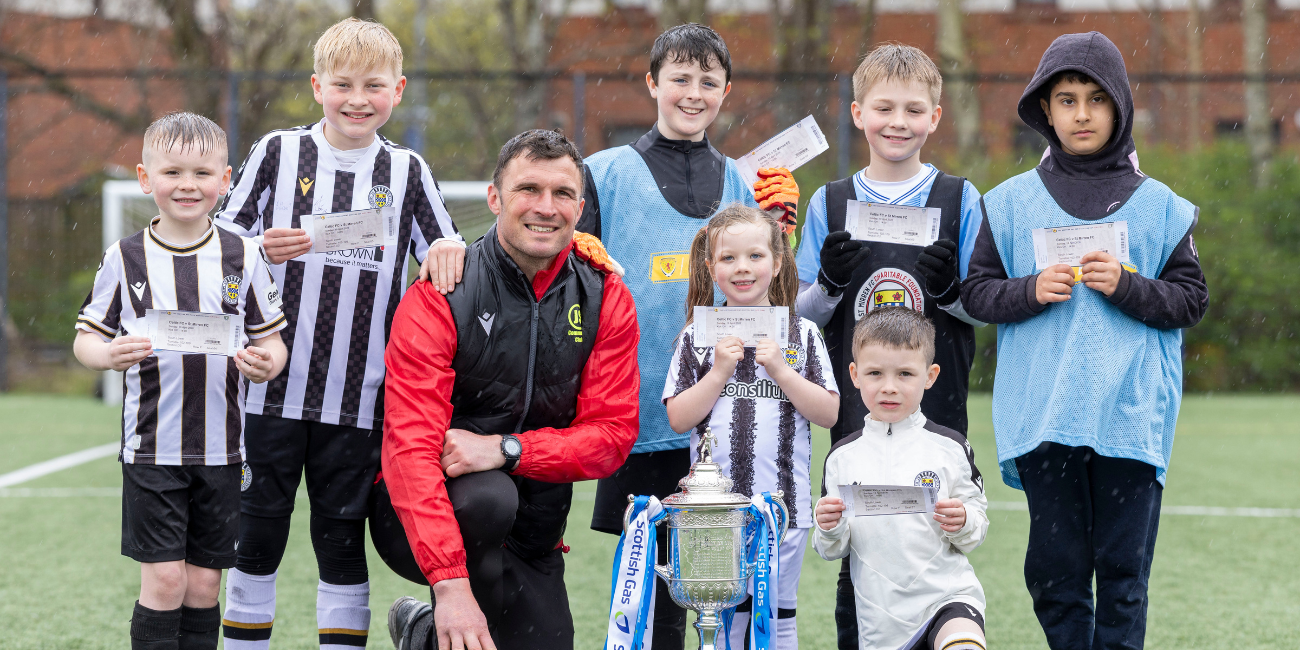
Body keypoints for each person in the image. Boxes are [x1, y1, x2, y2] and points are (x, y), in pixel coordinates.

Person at [418, 23, 798, 649]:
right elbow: (538, 249)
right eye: (679, 78)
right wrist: (450, 245)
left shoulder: (742, 181)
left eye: (708, 81)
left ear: (727, 91)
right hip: (636, 409)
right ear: (652, 83)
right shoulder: (603, 172)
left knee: (728, 578)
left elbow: (770, 290)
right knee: (653, 591)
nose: (693, 92)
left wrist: (781, 232)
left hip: (722, 410)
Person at [213, 17, 464, 650]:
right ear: (317, 87)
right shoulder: (277, 152)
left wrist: (448, 250)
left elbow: (447, 250)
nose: (358, 99)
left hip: (359, 394)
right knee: (257, 536)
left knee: (341, 540)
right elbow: (217, 243)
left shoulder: (406, 169)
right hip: (266, 389)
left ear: (398, 90)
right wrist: (257, 249)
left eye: (374, 86)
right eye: (343, 85)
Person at [961, 32, 1208, 650]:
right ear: (1045, 109)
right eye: (1067, 99)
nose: (1082, 114)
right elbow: (977, 293)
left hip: (1130, 415)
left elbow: (1191, 300)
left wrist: (1128, 286)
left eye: (1097, 99)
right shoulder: (1008, 202)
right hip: (1046, 413)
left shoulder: (1161, 206)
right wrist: (1028, 290)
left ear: (1120, 107)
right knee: (1055, 573)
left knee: (1123, 573)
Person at [376, 129, 640, 650]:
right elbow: (409, 449)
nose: (546, 207)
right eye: (529, 189)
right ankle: (447, 611)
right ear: (494, 198)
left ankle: (422, 633)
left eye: (562, 194)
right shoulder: (441, 292)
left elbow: (611, 436)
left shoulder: (605, 293)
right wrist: (450, 584)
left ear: (580, 209)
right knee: (489, 498)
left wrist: (506, 449)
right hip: (438, 517)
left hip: (535, 528)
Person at [790, 43, 985, 648]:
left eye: (913, 110)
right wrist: (828, 284)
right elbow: (799, 314)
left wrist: (950, 290)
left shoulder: (960, 197)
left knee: (936, 526)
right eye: (883, 108)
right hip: (858, 406)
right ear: (857, 114)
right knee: (861, 534)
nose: (897, 122)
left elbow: (982, 306)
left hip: (936, 400)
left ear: (935, 117)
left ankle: (949, 623)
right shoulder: (829, 201)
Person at [73, 112, 289, 650]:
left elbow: (272, 341)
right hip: (152, 448)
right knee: (166, 581)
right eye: (172, 172)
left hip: (223, 451)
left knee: (203, 585)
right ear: (145, 178)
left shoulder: (244, 255)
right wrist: (108, 354)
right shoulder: (125, 257)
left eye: (201, 173)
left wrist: (267, 363)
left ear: (225, 179)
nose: (187, 185)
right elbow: (85, 338)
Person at [664, 205, 839, 648]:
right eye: (728, 258)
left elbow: (828, 413)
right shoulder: (697, 335)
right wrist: (718, 373)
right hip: (713, 514)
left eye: (755, 256)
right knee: (722, 617)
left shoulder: (803, 334)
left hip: (784, 507)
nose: (742, 267)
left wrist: (781, 371)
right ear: (711, 268)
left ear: (777, 262)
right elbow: (679, 418)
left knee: (777, 616)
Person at [813, 307, 988, 650]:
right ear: (855, 374)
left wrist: (964, 520)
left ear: (930, 376)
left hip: (948, 597)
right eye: (875, 373)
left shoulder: (951, 448)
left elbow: (976, 527)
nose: (889, 387)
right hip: (881, 619)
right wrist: (829, 526)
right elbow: (831, 548)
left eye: (905, 374)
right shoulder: (841, 458)